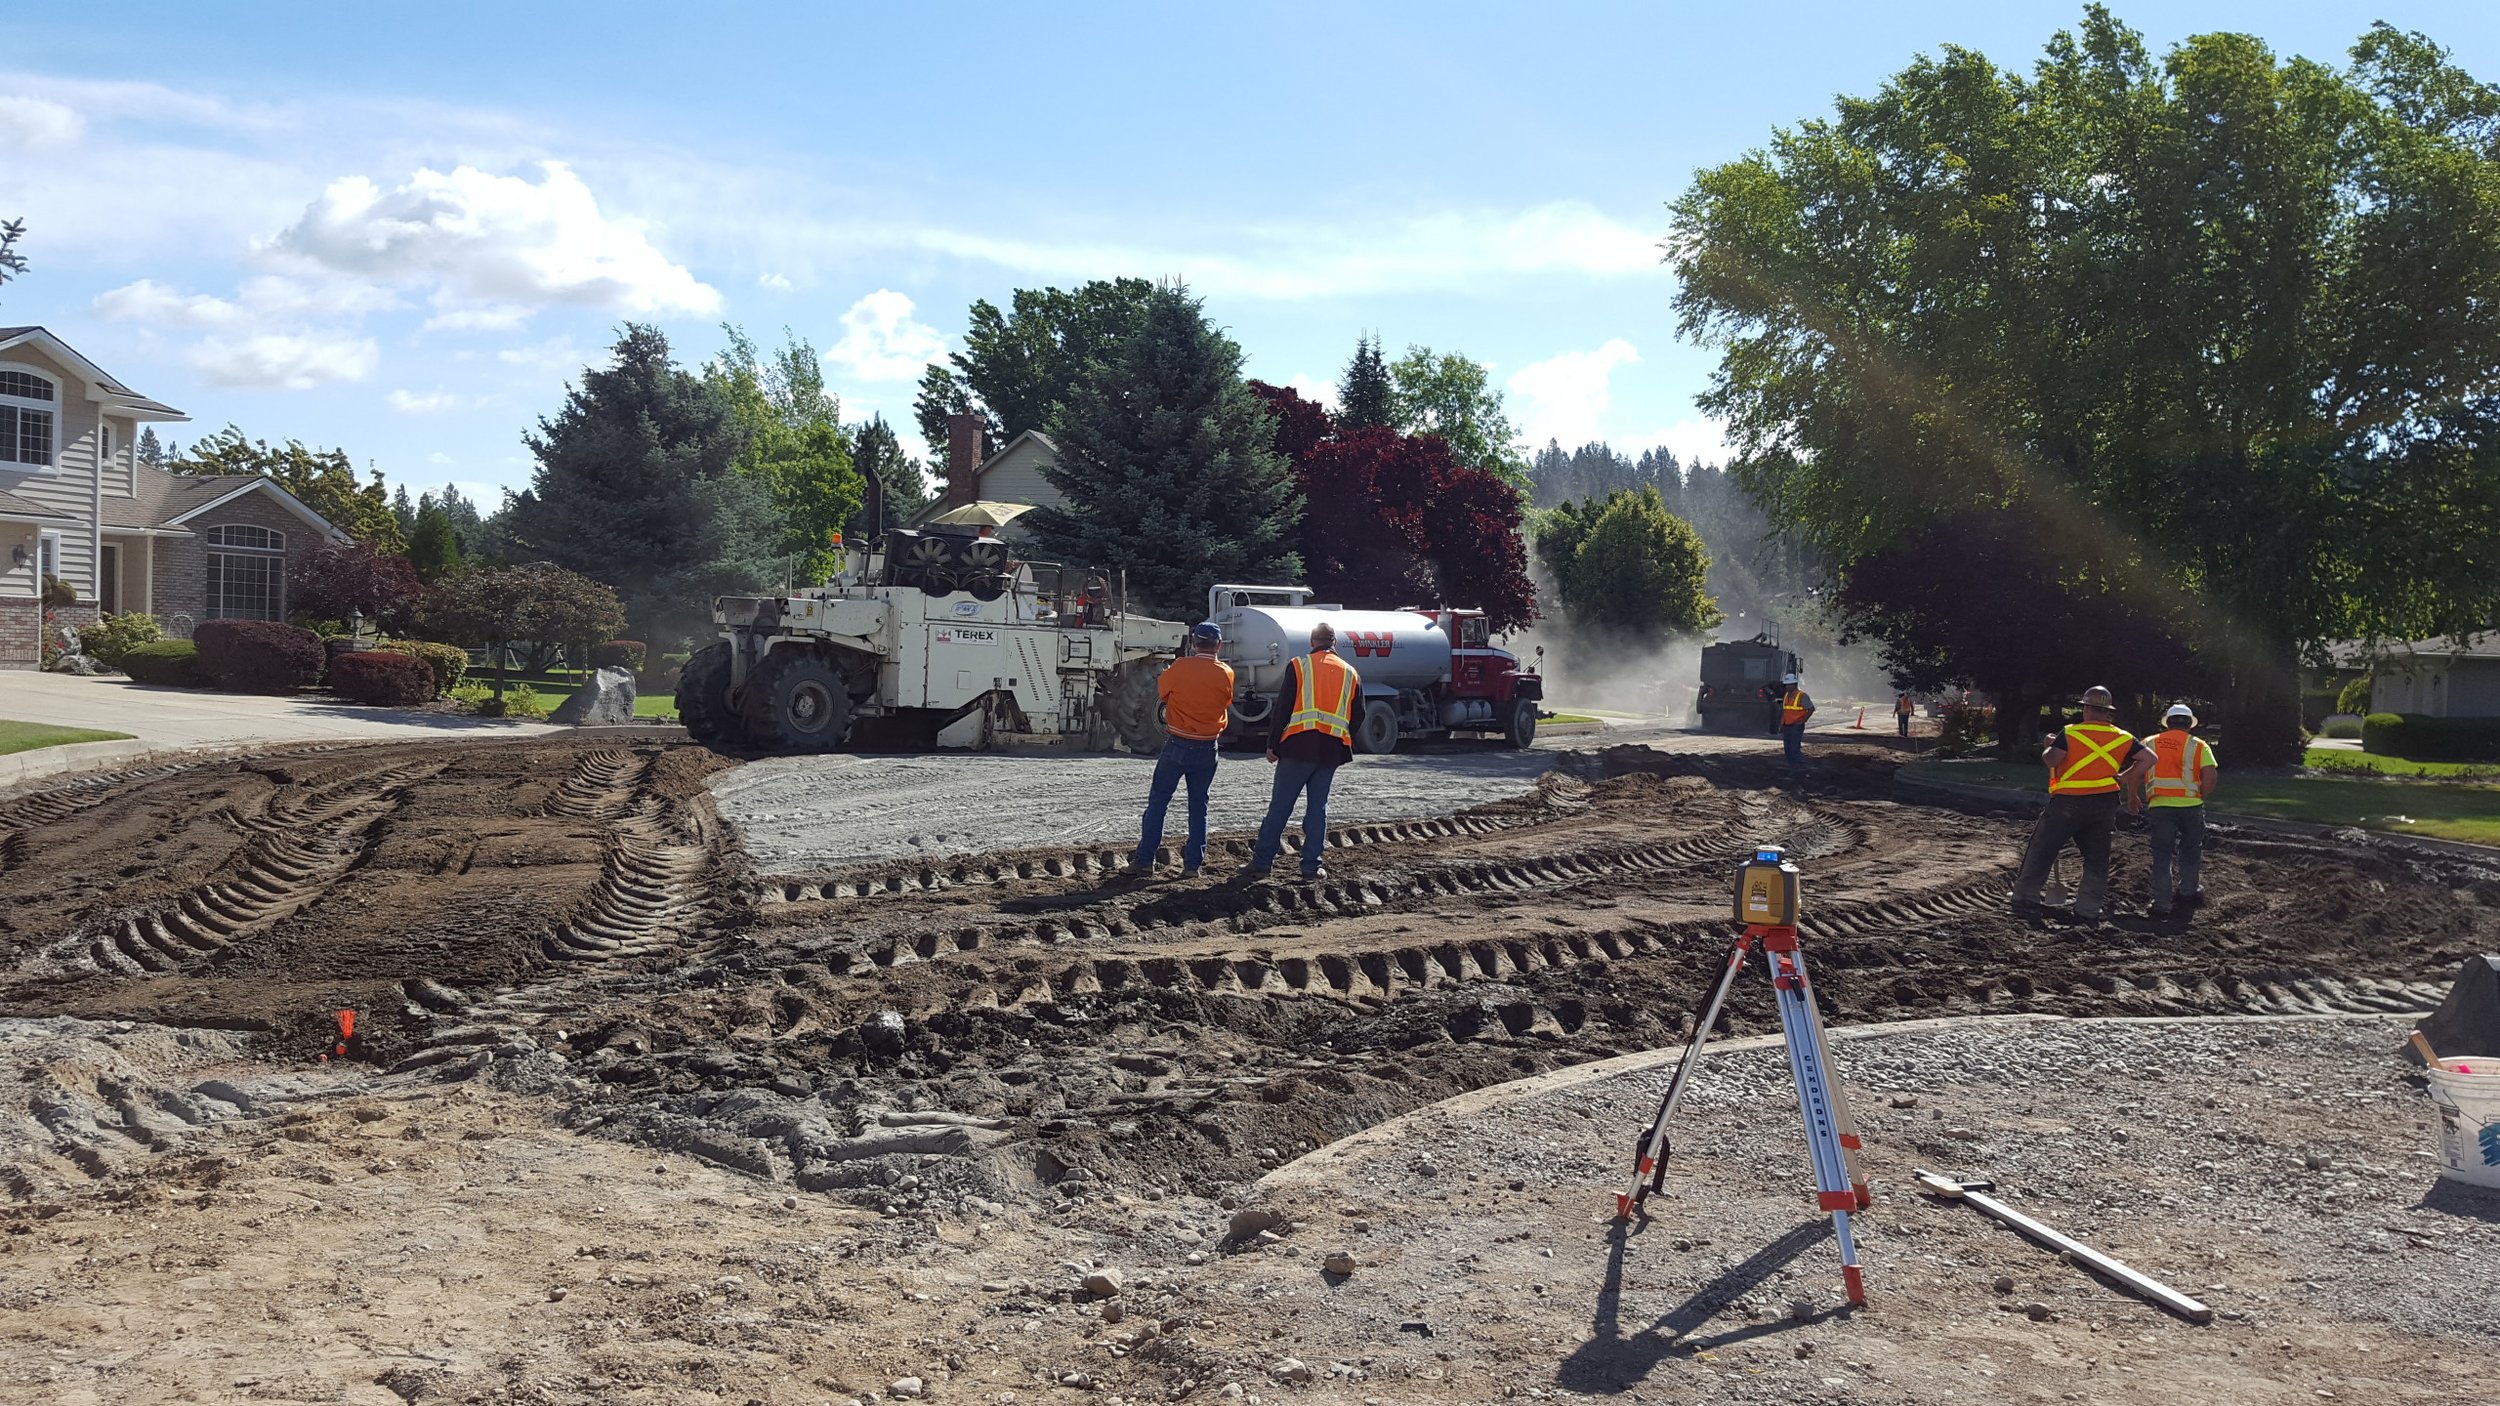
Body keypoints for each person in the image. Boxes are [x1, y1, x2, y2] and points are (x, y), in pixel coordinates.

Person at [2009, 685, 2154, 922]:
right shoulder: (2123, 737)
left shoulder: (2071, 732)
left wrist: (2048, 746)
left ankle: (2025, 898)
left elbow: (2052, 760)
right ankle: (2088, 908)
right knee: (2097, 857)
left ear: (2086, 708)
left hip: (2068, 801)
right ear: (2107, 712)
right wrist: (2127, 775)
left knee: (2043, 848)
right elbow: (2149, 758)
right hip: (2104, 803)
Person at [1245, 621, 1361, 881]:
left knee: (1280, 808)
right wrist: (1344, 739)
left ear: (1312, 642)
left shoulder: (1299, 666)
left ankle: (1262, 862)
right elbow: (1358, 715)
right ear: (1335, 644)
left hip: (1297, 747)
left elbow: (1283, 707)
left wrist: (1272, 744)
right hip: (1330, 751)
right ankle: (1311, 866)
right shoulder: (1350, 672)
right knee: (1317, 809)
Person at [1128, 623, 1235, 878]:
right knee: (1199, 807)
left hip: (1178, 744)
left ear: (1193, 643)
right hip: (1208, 747)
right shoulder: (1226, 673)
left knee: (1158, 803)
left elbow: (1163, 693)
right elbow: (1226, 701)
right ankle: (1192, 865)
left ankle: (1144, 861)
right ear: (1218, 645)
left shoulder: (1179, 668)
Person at [2142, 702, 2218, 919]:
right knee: (2191, 850)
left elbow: (2136, 769)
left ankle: (2161, 902)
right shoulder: (2199, 745)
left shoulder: (2148, 743)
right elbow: (2210, 775)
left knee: (2162, 853)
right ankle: (2188, 892)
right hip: (2191, 805)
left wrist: (2132, 797)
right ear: (2189, 724)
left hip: (2160, 806)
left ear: (2168, 722)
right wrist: (2202, 795)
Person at [1779, 672, 1815, 769]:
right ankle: (1794, 767)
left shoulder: (1802, 696)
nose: (1787, 687)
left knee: (1794, 748)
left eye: (1789, 684)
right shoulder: (1786, 695)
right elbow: (1785, 710)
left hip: (1796, 726)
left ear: (1794, 684)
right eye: (1786, 685)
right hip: (1787, 725)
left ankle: (1803, 767)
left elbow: (1811, 708)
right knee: (1788, 749)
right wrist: (1782, 722)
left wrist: (1803, 720)